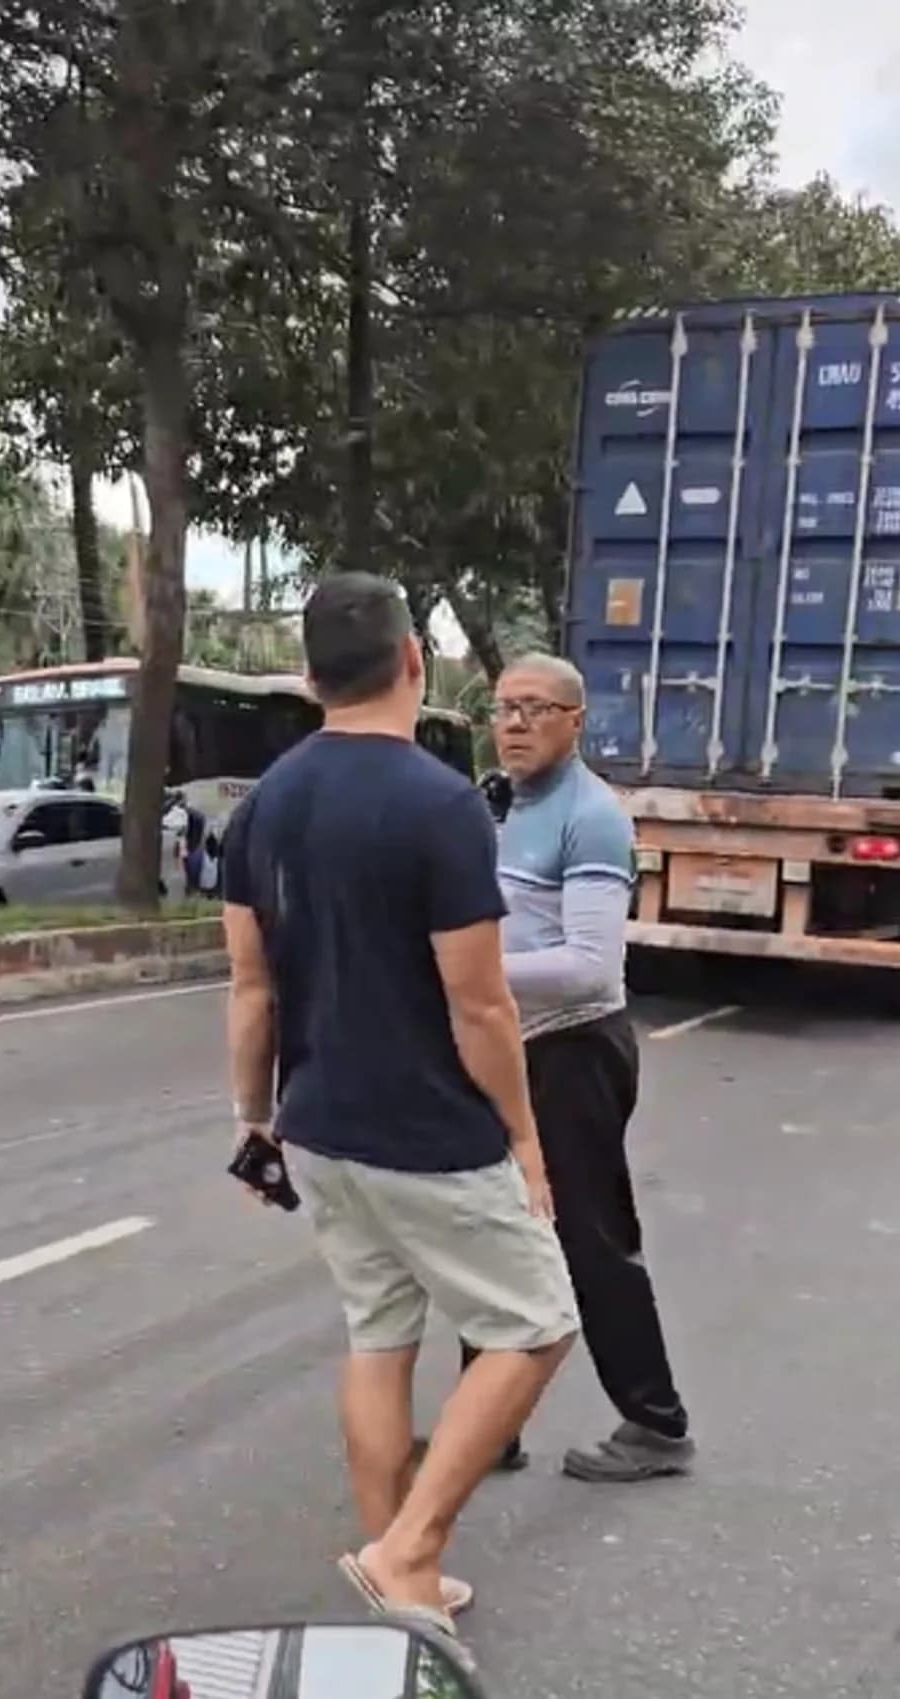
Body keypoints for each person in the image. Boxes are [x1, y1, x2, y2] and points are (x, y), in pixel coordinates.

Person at [219, 572, 577, 1639]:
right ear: (413, 660)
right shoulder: (439, 804)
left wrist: (254, 1119)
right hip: (427, 1132)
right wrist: (522, 1136)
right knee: (536, 1322)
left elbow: (250, 990)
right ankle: (409, 1549)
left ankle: (402, 1585)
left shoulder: (265, 801)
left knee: (379, 1334)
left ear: (308, 674)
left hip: (318, 1123)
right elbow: (479, 1003)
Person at [454, 651, 693, 1484]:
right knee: (489, 1230)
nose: (514, 724)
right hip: (508, 1049)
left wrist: (462, 969)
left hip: (575, 1050)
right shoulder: (500, 804)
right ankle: (490, 1427)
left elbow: (590, 967)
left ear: (575, 720)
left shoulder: (591, 816)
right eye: (503, 708)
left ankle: (657, 1424)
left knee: (590, 1239)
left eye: (535, 709)